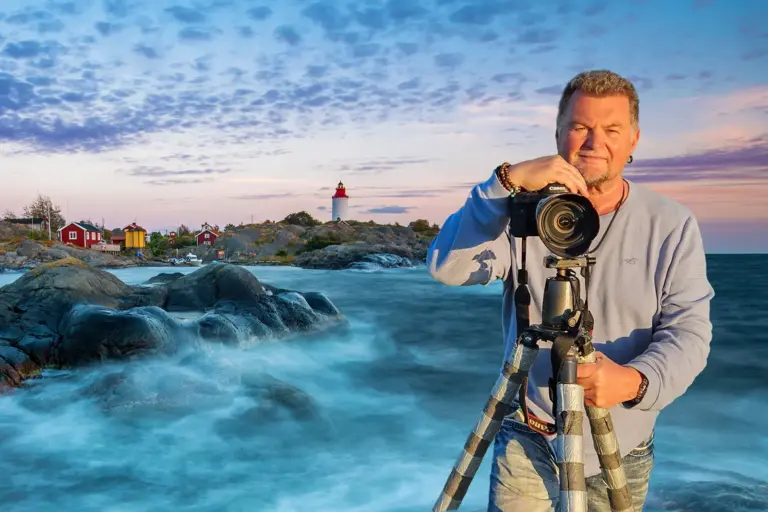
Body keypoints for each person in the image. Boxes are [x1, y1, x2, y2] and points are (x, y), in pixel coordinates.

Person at [426, 69, 714, 511]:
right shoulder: (524, 216)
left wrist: (634, 381)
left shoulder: (670, 225)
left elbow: (690, 333)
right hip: (528, 431)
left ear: (634, 140)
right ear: (558, 135)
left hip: (621, 440)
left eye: (612, 129)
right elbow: (448, 267)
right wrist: (504, 181)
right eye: (580, 127)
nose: (595, 143)